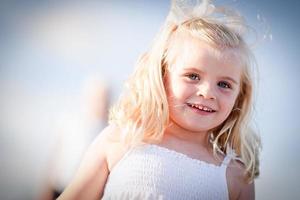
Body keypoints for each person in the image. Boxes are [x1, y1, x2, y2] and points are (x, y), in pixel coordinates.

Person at [58, 0, 261, 199]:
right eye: (193, 76)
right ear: (162, 76)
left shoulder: (235, 176)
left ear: (239, 96)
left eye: (224, 84)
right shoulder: (123, 139)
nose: (207, 92)